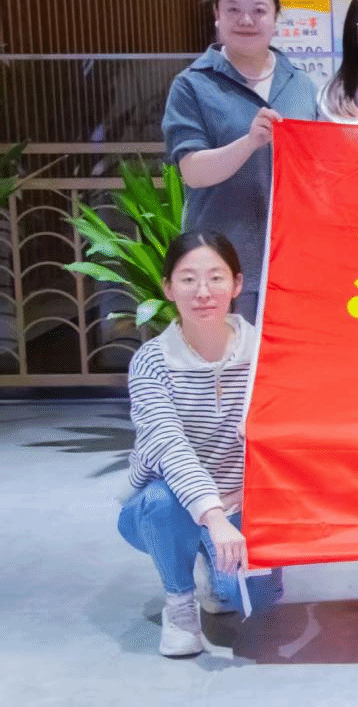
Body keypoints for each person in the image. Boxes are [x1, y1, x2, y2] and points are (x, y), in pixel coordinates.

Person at [117, 231, 281, 657]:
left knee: (254, 599)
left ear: (237, 284)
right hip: (168, 506)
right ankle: (179, 602)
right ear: (168, 288)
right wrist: (214, 516)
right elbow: (169, 446)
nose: (203, 292)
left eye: (216, 277)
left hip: (245, 502)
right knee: (161, 502)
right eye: (188, 279)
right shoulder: (152, 362)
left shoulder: (267, 354)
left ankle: (213, 571)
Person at [162, 0, 319, 323]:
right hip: (222, 266)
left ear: (277, 17)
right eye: (233, 9)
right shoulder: (192, 84)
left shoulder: (301, 84)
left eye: (259, 10)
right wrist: (249, 142)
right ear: (217, 15)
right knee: (227, 357)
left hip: (290, 263)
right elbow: (192, 171)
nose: (246, 20)